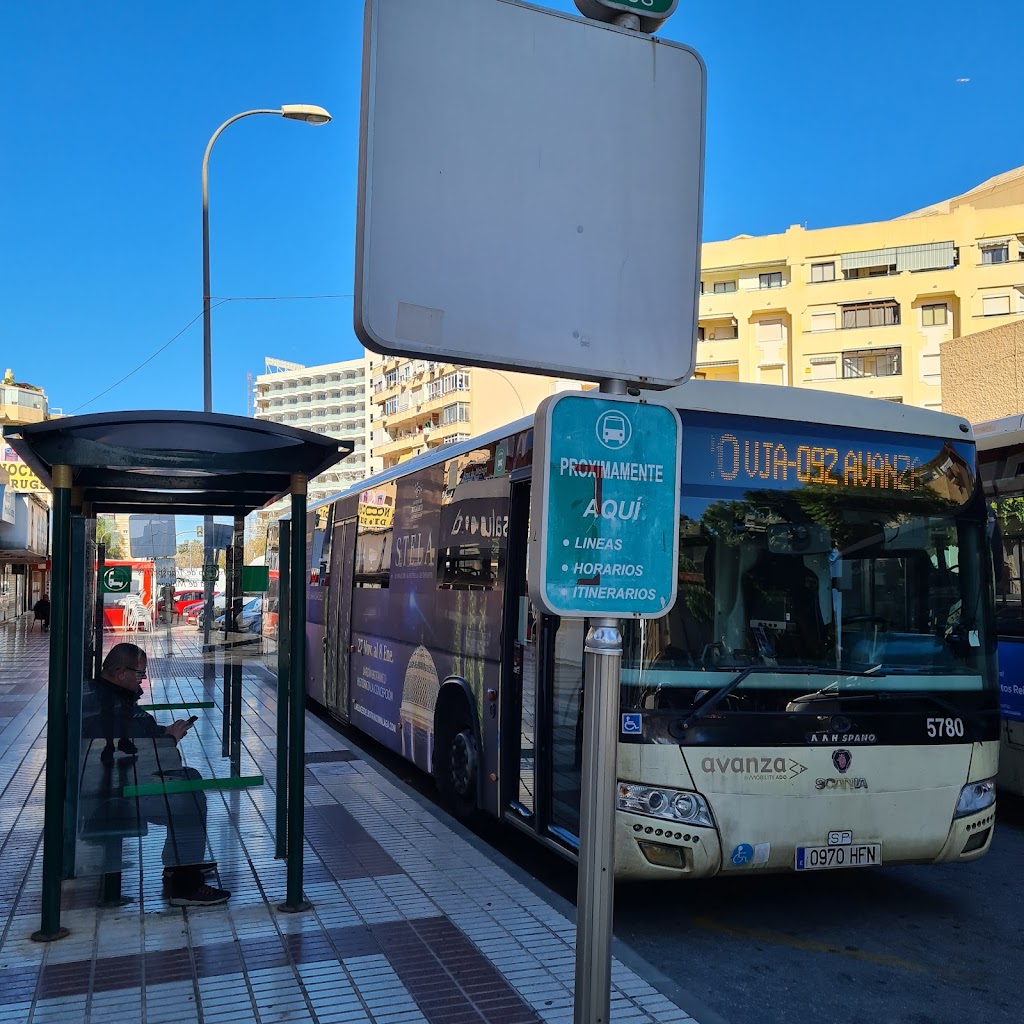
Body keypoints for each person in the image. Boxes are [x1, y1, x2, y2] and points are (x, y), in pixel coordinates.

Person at [81, 642, 231, 907]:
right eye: (140, 674)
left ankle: (180, 862)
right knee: (189, 799)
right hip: (114, 793)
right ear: (120, 673)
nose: (143, 680)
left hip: (115, 781)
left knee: (190, 778)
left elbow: (129, 741)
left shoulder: (105, 696)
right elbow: (134, 752)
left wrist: (163, 733)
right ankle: (186, 885)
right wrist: (169, 740)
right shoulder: (110, 706)